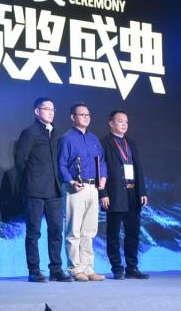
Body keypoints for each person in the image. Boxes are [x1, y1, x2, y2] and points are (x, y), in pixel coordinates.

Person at [15, 97, 72, 283]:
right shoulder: (29, 132)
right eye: (47, 109)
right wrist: (32, 181)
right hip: (35, 190)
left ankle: (56, 269)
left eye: (53, 109)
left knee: (56, 230)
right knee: (34, 232)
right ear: (37, 111)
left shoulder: (55, 133)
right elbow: (20, 162)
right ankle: (34, 270)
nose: (51, 112)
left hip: (54, 190)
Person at [58, 102, 107, 281]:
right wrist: (70, 181)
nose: (86, 117)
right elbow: (61, 164)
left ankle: (88, 268)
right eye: (82, 114)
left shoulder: (94, 139)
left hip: (93, 188)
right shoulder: (67, 138)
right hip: (75, 188)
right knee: (73, 231)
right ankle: (74, 269)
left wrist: (103, 177)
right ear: (73, 117)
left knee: (89, 231)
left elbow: (102, 161)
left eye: (88, 115)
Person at [99, 110, 150, 280]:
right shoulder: (104, 142)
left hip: (132, 194)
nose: (124, 124)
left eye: (126, 121)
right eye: (120, 121)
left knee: (133, 233)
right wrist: (103, 193)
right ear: (111, 123)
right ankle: (117, 268)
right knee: (113, 234)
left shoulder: (131, 143)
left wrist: (142, 191)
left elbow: (138, 168)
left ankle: (132, 267)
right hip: (114, 194)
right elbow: (100, 169)